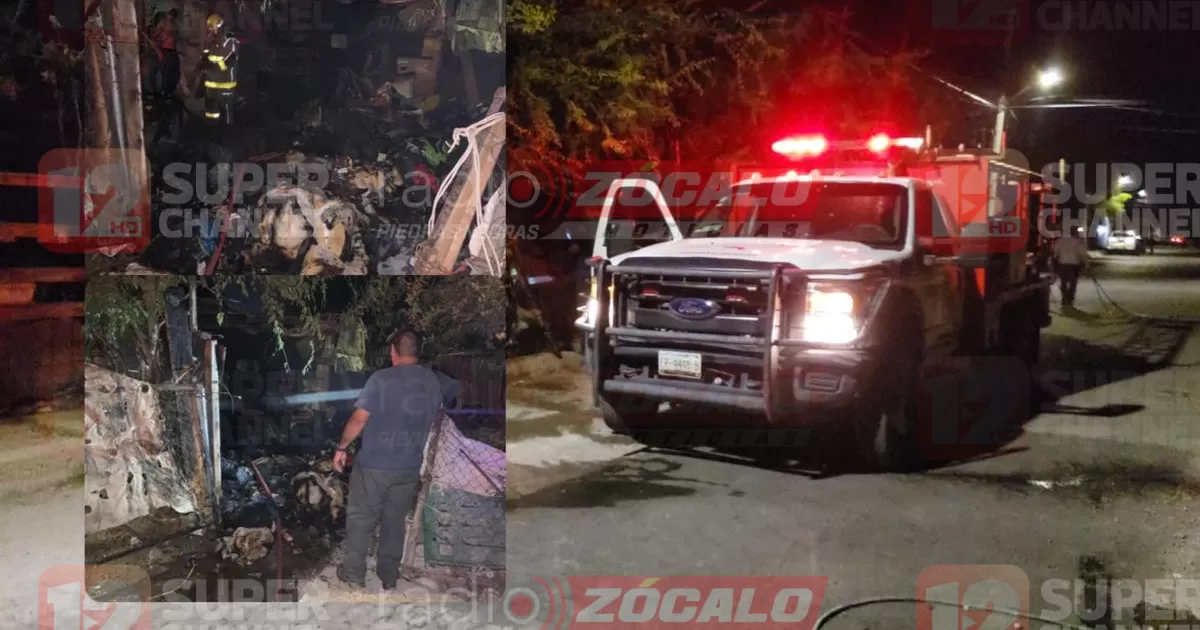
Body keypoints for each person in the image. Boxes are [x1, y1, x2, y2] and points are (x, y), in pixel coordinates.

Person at [333, 330, 459, 589]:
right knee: (394, 522)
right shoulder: (433, 381)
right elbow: (452, 395)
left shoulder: (380, 379)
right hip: (409, 467)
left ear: (393, 351)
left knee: (361, 519)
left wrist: (342, 447)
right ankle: (389, 576)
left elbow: (358, 419)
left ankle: (354, 575)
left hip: (373, 466)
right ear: (417, 352)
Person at [202, 14, 239, 124]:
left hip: (225, 86)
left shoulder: (231, 40)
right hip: (211, 86)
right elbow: (207, 56)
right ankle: (211, 132)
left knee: (226, 113)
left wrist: (214, 64)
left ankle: (227, 135)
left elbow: (229, 63)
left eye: (212, 29)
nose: (210, 32)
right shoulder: (212, 41)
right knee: (211, 114)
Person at [1052, 226, 1089, 308]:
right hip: (1073, 265)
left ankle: (1064, 298)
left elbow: (1055, 252)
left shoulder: (1061, 241)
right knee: (1073, 283)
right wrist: (1086, 265)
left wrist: (1053, 262)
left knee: (1063, 282)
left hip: (1063, 264)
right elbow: (1083, 254)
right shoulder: (1078, 242)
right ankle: (1070, 298)